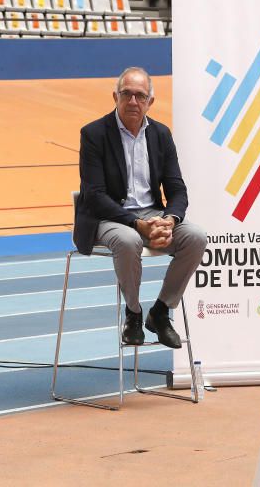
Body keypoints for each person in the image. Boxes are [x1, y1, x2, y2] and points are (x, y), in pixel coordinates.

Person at [75, 67, 208, 349]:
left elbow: (177, 188)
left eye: (140, 96)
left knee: (196, 237)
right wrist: (137, 224)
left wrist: (170, 219)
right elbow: (94, 195)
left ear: (150, 102)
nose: (133, 101)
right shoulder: (94, 134)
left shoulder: (160, 134)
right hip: (108, 216)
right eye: (127, 94)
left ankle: (160, 312)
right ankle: (133, 313)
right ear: (115, 97)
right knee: (128, 240)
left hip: (152, 214)